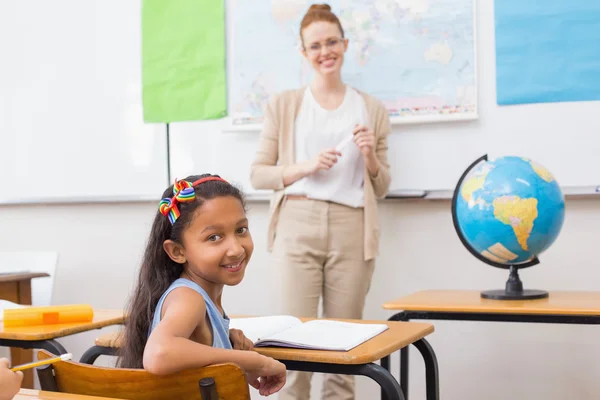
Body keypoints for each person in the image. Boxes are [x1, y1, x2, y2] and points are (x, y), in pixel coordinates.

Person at [250, 3, 391, 399]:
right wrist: (304, 166)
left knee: (344, 347)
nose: (325, 51)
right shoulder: (284, 106)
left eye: (332, 42)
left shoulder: (371, 109)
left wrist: (369, 157)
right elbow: (259, 174)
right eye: (315, 45)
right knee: (290, 343)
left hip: (352, 227)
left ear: (345, 45)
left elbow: (382, 186)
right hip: (298, 222)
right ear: (303, 52)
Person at [117, 174, 286, 397]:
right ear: (178, 251)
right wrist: (254, 361)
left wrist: (223, 345)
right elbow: (159, 353)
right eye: (214, 237)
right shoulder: (188, 298)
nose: (236, 249)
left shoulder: (196, 297)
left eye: (241, 230)